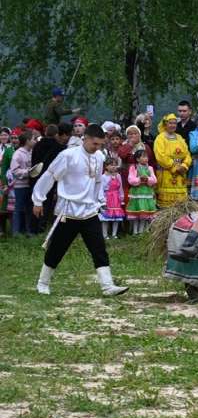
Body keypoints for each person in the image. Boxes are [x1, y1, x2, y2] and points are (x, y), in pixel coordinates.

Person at [32, 123, 128, 296]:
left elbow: (98, 181)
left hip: (89, 211)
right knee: (57, 249)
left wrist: (99, 200)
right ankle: (43, 283)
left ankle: (107, 286)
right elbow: (50, 176)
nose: (98, 148)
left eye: (100, 144)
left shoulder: (99, 156)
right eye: (95, 144)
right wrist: (38, 199)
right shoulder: (68, 155)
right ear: (86, 139)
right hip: (68, 210)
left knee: (98, 247)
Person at [154, 114, 191, 207]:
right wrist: (174, 167)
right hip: (166, 173)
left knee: (181, 204)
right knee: (167, 205)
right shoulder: (160, 138)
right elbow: (160, 156)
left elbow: (187, 154)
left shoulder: (179, 138)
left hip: (181, 174)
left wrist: (184, 165)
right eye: (170, 123)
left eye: (174, 123)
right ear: (165, 124)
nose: (173, 125)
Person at [10, 131, 39, 236]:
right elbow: (14, 171)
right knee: (18, 208)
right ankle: (16, 232)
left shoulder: (32, 152)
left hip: (30, 185)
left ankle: (28, 230)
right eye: (33, 139)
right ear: (27, 141)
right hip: (20, 185)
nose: (35, 141)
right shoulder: (17, 154)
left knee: (28, 208)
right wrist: (28, 172)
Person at [126, 147, 158, 234]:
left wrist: (147, 179)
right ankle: (135, 231)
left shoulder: (150, 168)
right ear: (137, 159)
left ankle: (143, 230)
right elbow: (130, 179)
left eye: (146, 157)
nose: (146, 159)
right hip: (137, 193)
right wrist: (139, 179)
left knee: (145, 212)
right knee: (137, 212)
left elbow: (154, 180)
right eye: (143, 157)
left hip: (147, 192)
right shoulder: (133, 167)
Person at [99, 157, 125, 239]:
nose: (113, 167)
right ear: (106, 166)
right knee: (105, 217)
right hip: (107, 198)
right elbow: (100, 189)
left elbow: (120, 187)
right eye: (111, 165)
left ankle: (114, 234)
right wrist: (103, 200)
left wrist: (121, 197)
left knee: (116, 217)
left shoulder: (118, 176)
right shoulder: (103, 177)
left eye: (115, 165)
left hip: (116, 198)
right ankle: (105, 234)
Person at [0, 127, 14, 235]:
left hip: (7, 179)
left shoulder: (11, 148)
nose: (3, 137)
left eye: (5, 135)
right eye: (1, 135)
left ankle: (7, 229)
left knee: (5, 203)